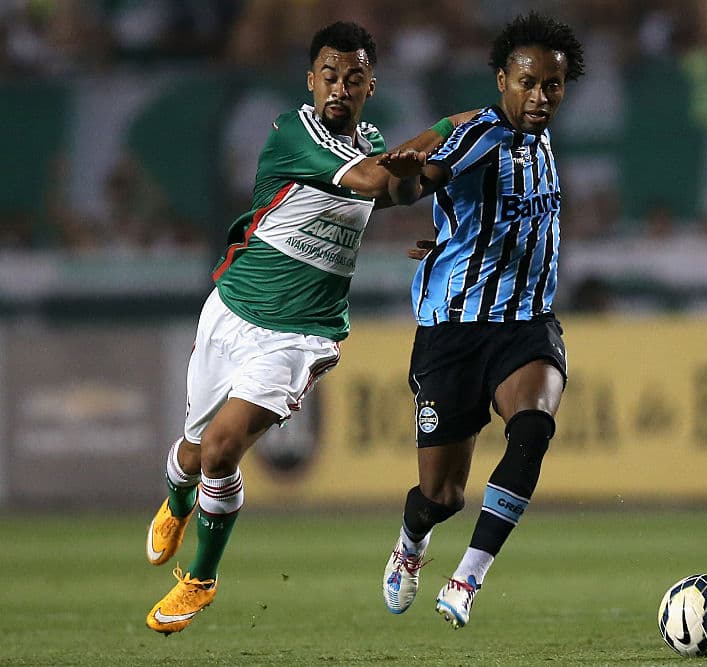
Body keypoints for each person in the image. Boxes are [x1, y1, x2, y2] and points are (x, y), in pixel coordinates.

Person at [144, 20, 475, 635]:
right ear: (310, 79)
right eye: (329, 75)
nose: (339, 88)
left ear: (371, 85)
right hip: (233, 311)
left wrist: (440, 207)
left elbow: (399, 192)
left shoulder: (372, 140)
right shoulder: (294, 133)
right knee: (190, 453)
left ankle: (201, 579)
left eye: (354, 78)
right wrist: (448, 127)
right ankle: (178, 498)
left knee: (221, 450)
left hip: (300, 334)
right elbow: (382, 180)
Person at [378, 11, 585, 629]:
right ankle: (411, 542)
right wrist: (414, 174)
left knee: (533, 429)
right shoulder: (480, 133)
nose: (540, 97)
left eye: (552, 85)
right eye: (527, 83)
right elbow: (427, 177)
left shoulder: (544, 142)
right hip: (453, 330)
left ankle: (467, 578)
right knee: (441, 497)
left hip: (527, 326)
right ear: (502, 81)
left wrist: (448, 231)